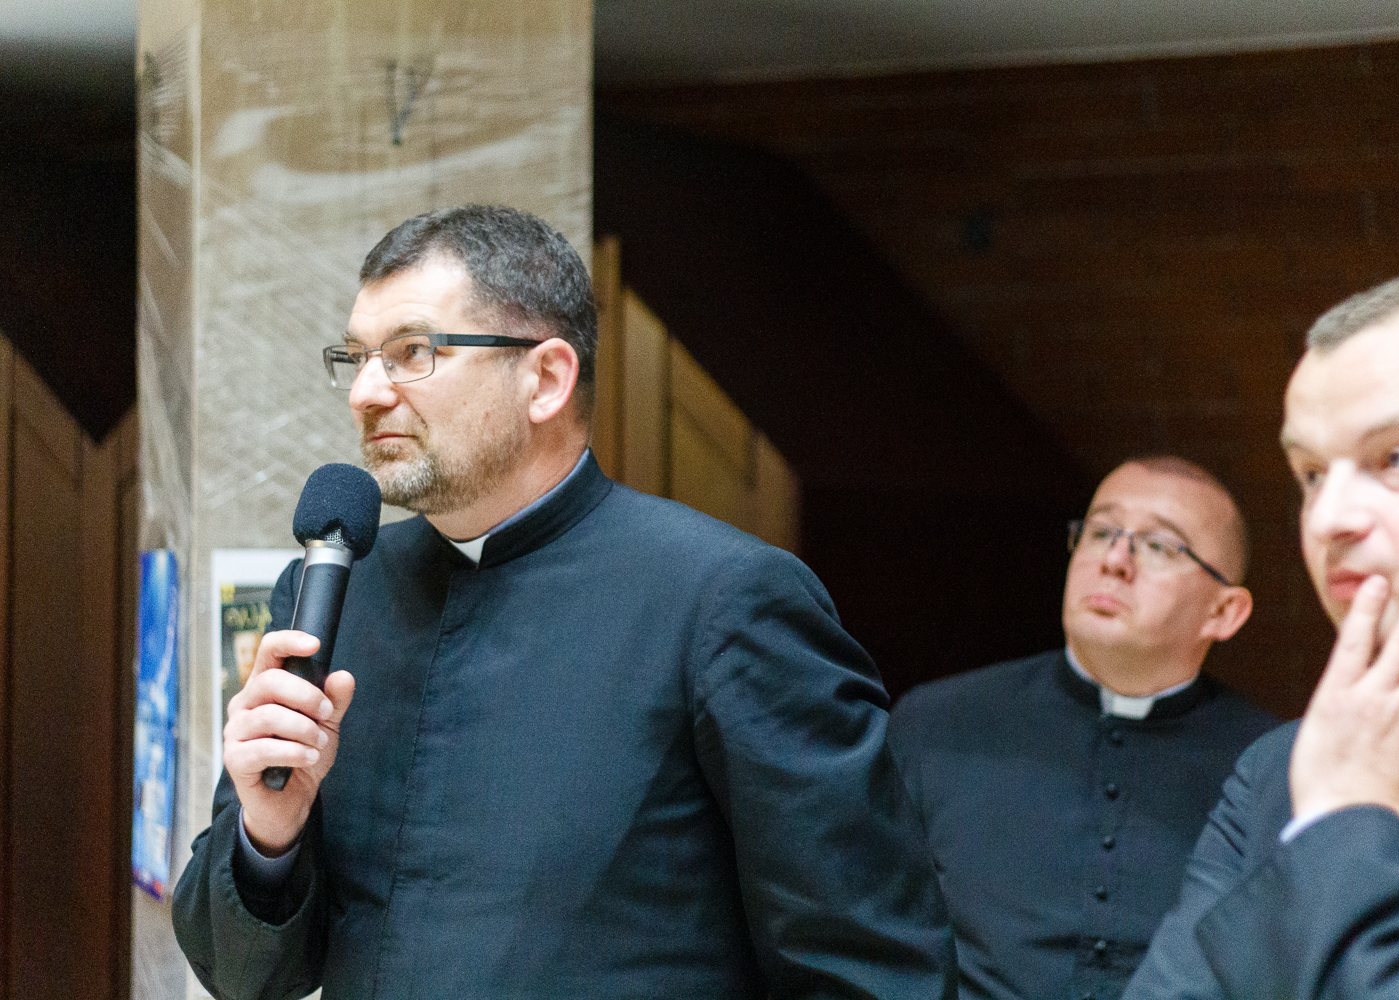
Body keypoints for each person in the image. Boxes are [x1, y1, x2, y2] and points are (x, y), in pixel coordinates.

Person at [171, 204, 956, 999]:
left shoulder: (722, 601)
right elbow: (241, 975)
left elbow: (873, 969)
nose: (367, 393)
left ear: (545, 379)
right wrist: (268, 836)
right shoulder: (336, 592)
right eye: (358, 357)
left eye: (411, 353)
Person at [1124, 268, 1399, 999]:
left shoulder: (1325, 783)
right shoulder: (1279, 768)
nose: (1328, 520)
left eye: (1396, 458)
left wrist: (1345, 817)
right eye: (1311, 474)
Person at [887, 456, 1278, 1000]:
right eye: (1100, 532)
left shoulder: (1273, 765)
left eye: (1159, 546)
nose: (1115, 561)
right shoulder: (937, 724)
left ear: (1224, 612)